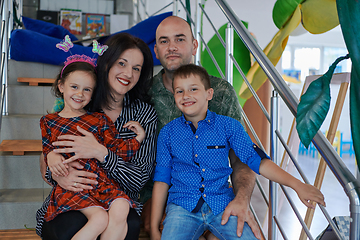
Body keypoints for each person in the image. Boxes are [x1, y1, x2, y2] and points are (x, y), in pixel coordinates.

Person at [151, 64, 326, 240]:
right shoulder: (167, 133)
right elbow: (161, 180)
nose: (186, 95)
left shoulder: (229, 126)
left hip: (222, 205)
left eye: (193, 89)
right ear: (174, 96)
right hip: (182, 207)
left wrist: (298, 186)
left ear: (209, 94)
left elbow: (257, 161)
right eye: (179, 91)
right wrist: (153, 227)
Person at [142, 15, 259, 239]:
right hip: (159, 191)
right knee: (158, 226)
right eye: (164, 41)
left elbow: (241, 157)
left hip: (213, 193)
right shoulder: (144, 93)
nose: (172, 47)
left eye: (179, 39)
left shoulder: (220, 91)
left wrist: (242, 198)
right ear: (156, 50)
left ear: (194, 46)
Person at [36, 32, 158, 240]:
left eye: (136, 69)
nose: (128, 73)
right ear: (107, 63)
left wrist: (101, 153)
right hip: (74, 193)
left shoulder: (143, 114)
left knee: (128, 223)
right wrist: (56, 170)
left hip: (115, 196)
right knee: (69, 228)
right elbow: (50, 154)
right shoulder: (81, 99)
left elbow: (139, 179)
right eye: (122, 63)